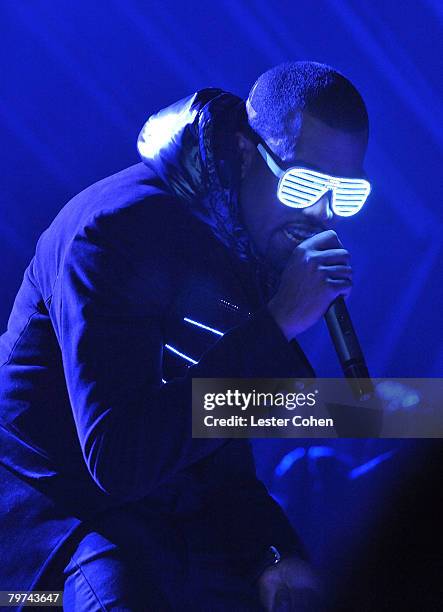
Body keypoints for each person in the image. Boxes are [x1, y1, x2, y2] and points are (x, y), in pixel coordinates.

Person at [0, 61, 369, 610]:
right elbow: (118, 458)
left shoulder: (246, 244)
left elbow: (214, 448)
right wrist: (277, 324)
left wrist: (273, 553)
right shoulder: (115, 231)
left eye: (346, 195)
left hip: (163, 520)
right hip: (55, 536)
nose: (320, 213)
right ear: (245, 153)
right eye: (305, 183)